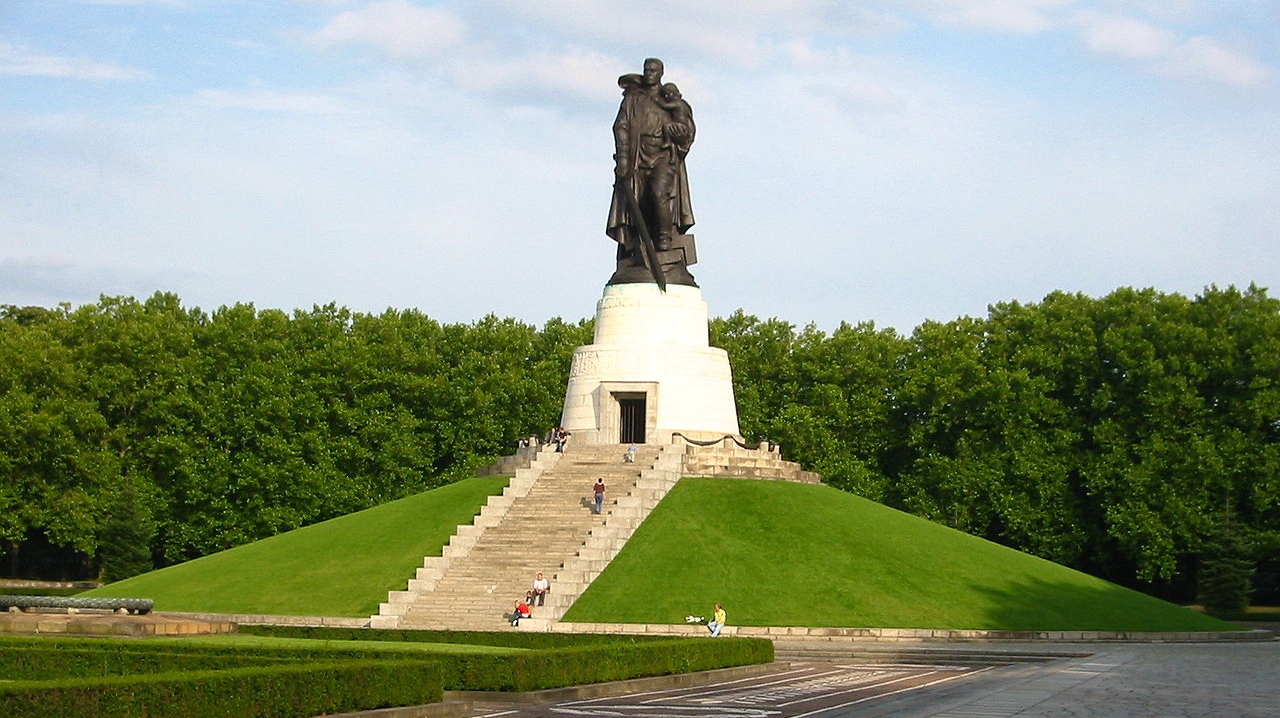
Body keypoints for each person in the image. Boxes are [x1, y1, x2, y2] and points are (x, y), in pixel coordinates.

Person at [607, 57, 695, 256]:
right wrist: (623, 158)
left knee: (658, 193)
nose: (649, 73)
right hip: (637, 157)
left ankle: (664, 238)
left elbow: (687, 130)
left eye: (653, 70)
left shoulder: (670, 100)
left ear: (661, 73)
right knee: (638, 203)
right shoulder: (633, 100)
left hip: (663, 156)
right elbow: (621, 126)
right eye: (646, 70)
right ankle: (639, 248)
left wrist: (682, 135)